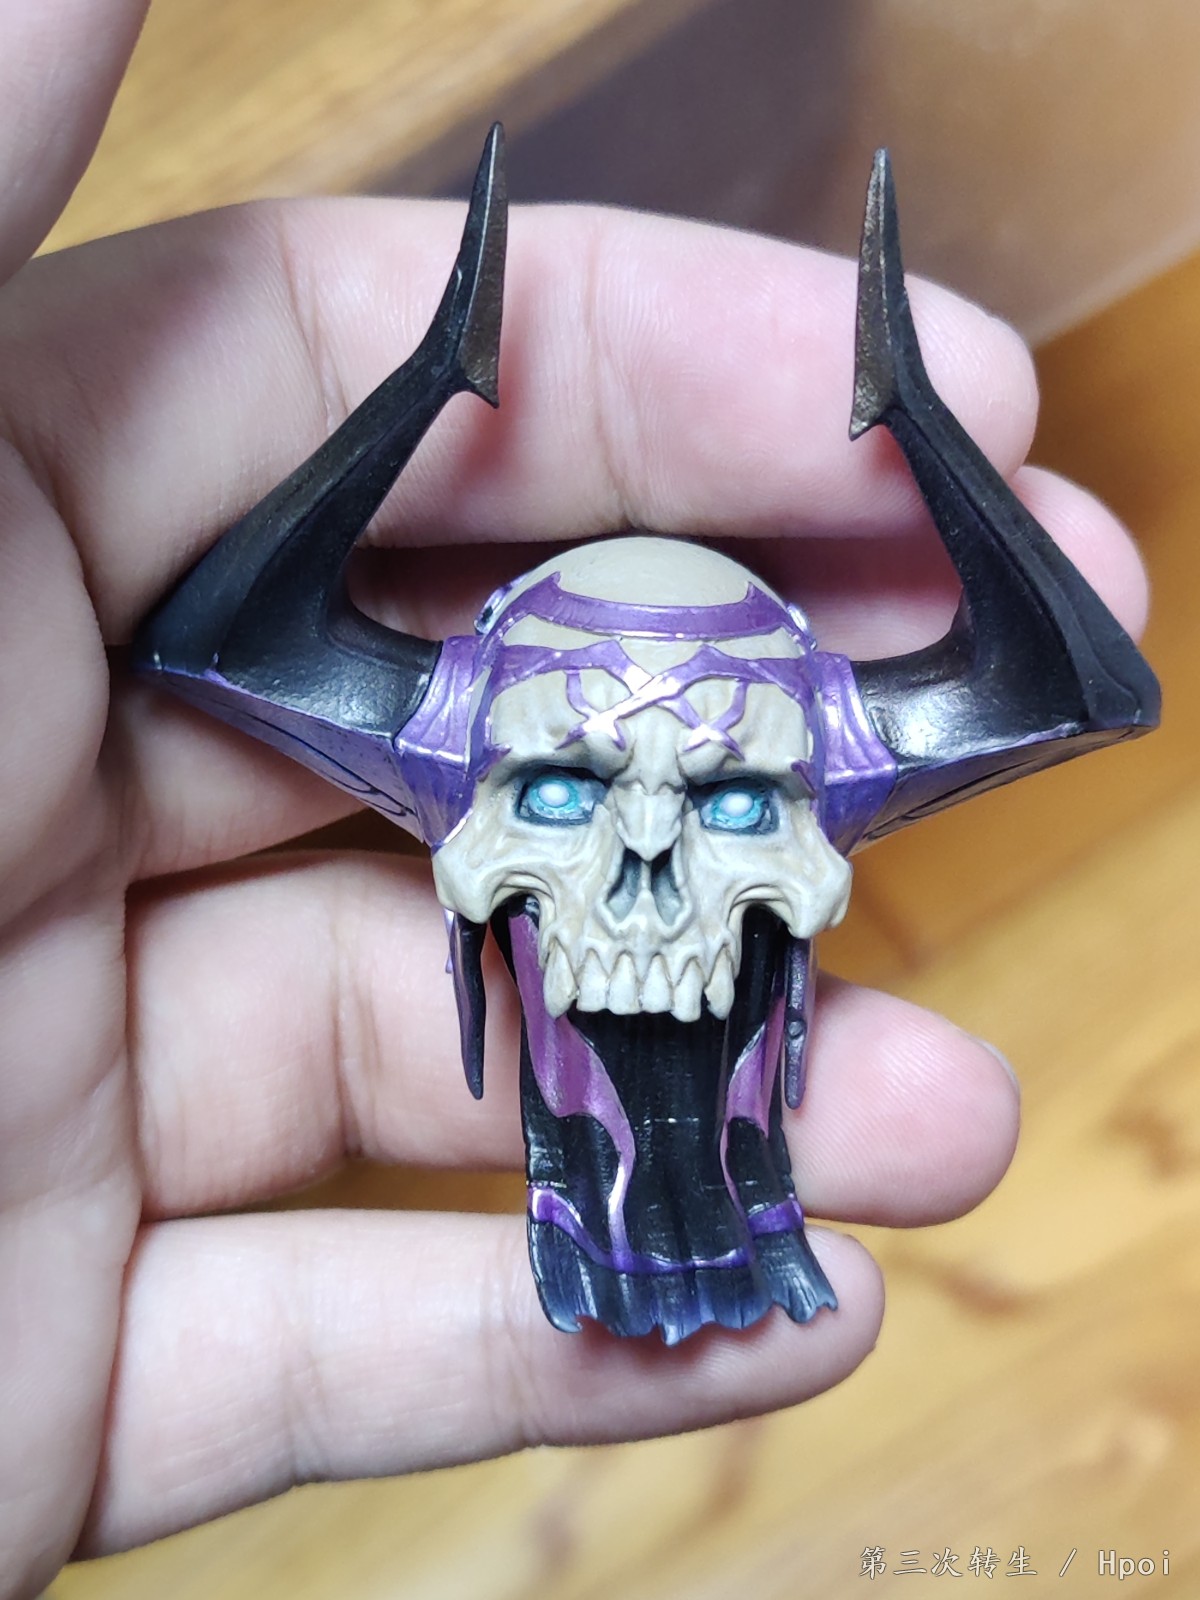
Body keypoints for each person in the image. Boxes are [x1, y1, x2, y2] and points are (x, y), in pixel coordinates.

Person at [0, 3, 1150, 1595]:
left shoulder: (555, 729)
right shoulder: (711, 731)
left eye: (734, 807)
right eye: (559, 792)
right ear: (479, 793)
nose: (647, 859)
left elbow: (1084, 690)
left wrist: (929, 435)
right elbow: (216, 640)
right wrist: (416, 388)